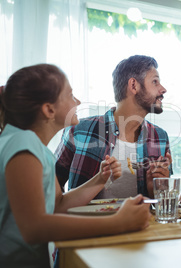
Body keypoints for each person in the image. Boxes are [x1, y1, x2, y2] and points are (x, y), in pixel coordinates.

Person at [0, 64, 152, 267]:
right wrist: (117, 222)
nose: (78, 101)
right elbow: (33, 227)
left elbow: (58, 205)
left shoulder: (34, 147)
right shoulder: (23, 144)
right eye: (70, 95)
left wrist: (100, 179)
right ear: (49, 109)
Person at [55, 55, 172, 199]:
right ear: (134, 85)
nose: (163, 89)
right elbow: (50, 189)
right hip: (87, 222)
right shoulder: (79, 131)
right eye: (155, 81)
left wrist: (156, 189)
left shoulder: (160, 137)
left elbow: (161, 201)